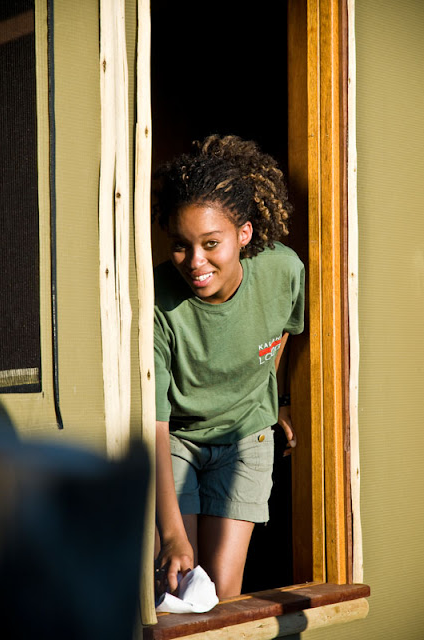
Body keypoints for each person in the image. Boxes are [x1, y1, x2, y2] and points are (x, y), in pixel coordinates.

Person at [153, 134, 305, 599]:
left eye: (211, 243)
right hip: (177, 438)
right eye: (181, 245)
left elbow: (281, 335)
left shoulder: (283, 271)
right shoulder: (157, 302)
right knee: (180, 587)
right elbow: (153, 427)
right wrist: (173, 534)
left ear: (244, 234)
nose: (195, 262)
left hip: (246, 436)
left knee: (220, 592)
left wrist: (275, 396)